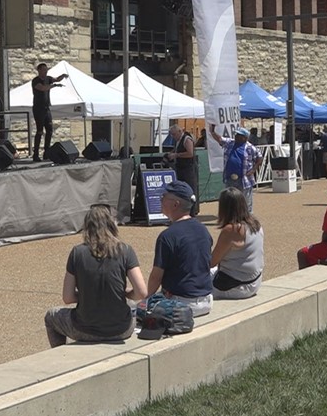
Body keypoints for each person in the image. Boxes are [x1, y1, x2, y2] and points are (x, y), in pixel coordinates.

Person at [44, 205, 147, 347]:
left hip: (83, 329)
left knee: (51, 316)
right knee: (131, 305)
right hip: (122, 330)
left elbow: (67, 298)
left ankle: (61, 354)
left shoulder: (77, 253)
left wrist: (89, 294)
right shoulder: (125, 250)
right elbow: (141, 292)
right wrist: (123, 293)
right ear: (112, 224)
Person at [145, 181, 213, 317]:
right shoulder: (203, 230)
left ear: (175, 204)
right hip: (207, 301)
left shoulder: (168, 236)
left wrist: (145, 300)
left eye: (164, 197)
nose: (160, 199)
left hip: (180, 304)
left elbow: (156, 277)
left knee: (136, 309)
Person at [210, 188, 264, 299]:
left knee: (192, 280)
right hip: (255, 282)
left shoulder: (231, 230)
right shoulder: (255, 224)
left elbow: (212, 262)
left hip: (236, 287)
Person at [207, 125, 262, 213]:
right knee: (230, 200)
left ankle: (247, 219)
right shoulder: (230, 143)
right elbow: (220, 139)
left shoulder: (250, 148)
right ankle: (231, 218)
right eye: (236, 134)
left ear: (244, 138)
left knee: (245, 202)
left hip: (244, 180)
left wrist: (253, 169)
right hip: (230, 178)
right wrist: (213, 132)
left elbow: (259, 158)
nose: (236, 136)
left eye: (238, 135)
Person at [31, 63, 68, 161]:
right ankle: (35, 155)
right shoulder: (36, 81)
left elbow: (56, 79)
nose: (45, 71)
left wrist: (63, 76)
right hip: (38, 109)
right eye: (43, 70)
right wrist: (54, 85)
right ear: (39, 70)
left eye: (46, 70)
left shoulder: (48, 78)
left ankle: (46, 153)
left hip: (47, 108)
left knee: (50, 130)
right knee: (39, 131)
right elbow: (43, 88)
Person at [167, 124, 199, 216]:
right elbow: (177, 150)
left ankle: (192, 213)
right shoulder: (178, 141)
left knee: (189, 191)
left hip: (188, 169)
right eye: (172, 135)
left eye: (174, 134)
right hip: (180, 169)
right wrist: (172, 153)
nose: (173, 137)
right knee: (181, 191)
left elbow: (190, 153)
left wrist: (176, 155)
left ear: (180, 131)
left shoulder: (186, 139)